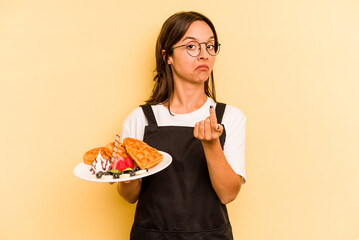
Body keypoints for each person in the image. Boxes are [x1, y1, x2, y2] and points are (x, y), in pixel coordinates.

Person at [117, 11, 246, 240]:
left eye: (210, 46)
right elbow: (129, 196)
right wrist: (127, 172)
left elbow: (228, 194)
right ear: (167, 55)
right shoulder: (141, 119)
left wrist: (211, 144)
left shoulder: (229, 117)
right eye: (191, 47)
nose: (204, 55)